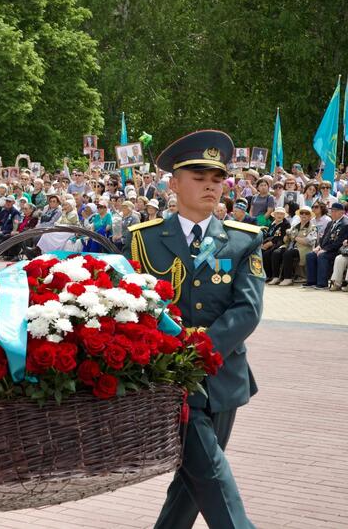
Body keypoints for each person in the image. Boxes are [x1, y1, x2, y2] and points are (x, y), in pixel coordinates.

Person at [126, 130, 261, 529]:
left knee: (194, 480)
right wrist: (175, 358)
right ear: (174, 183)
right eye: (199, 177)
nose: (210, 187)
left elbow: (247, 310)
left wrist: (199, 350)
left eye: (217, 179)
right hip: (168, 380)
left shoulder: (241, 240)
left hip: (222, 378)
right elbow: (131, 305)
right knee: (211, 473)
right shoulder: (145, 240)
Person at [303, 203, 348, 289]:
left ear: (342, 213)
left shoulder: (345, 224)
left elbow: (339, 242)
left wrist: (325, 250)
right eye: (332, 211)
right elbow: (324, 238)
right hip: (327, 248)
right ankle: (311, 281)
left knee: (322, 256)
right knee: (310, 255)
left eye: (335, 211)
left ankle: (322, 283)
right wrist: (319, 247)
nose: (332, 213)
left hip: (336, 251)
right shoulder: (330, 223)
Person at [269, 206, 316, 286]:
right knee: (276, 253)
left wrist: (294, 237)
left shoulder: (312, 227)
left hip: (303, 249)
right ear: (299, 215)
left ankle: (288, 278)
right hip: (290, 246)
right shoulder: (295, 226)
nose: (304, 215)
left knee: (288, 253)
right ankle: (276, 277)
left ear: (310, 216)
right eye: (302, 213)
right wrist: (287, 236)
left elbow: (308, 241)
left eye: (306, 213)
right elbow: (286, 240)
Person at [260, 207, 291, 280]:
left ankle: (270, 275)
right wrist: (263, 243)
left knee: (268, 253)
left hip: (280, 244)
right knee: (259, 251)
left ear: (284, 215)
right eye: (277, 213)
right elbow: (268, 235)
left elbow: (282, 238)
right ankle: (262, 273)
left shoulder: (286, 224)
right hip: (271, 243)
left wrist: (270, 243)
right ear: (274, 215)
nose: (279, 215)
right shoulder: (272, 223)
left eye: (281, 214)